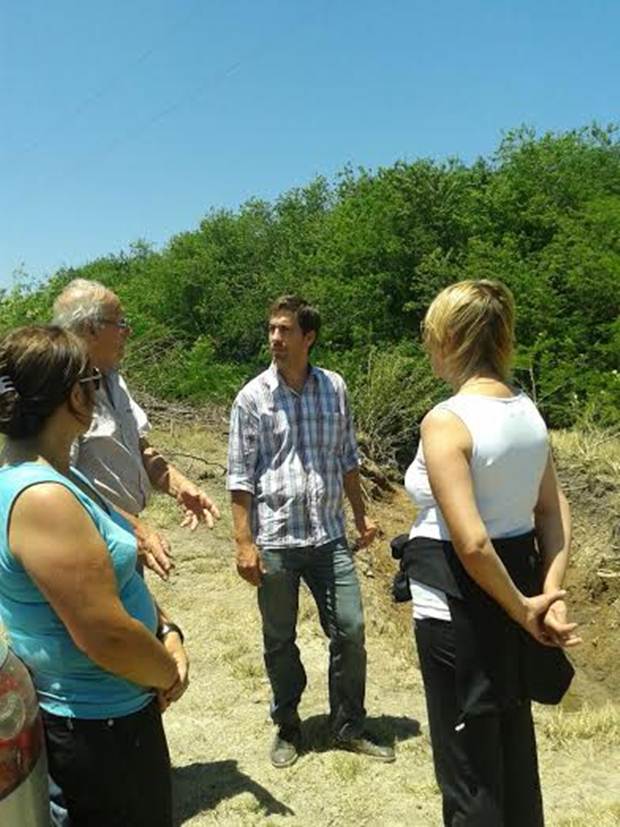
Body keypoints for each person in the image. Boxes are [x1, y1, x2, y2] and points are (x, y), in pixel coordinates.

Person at [403, 280, 580, 826]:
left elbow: (473, 542)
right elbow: (552, 513)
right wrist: (547, 595)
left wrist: (526, 608)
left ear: (450, 338)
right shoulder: (527, 413)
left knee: (467, 772)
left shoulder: (446, 420)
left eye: (431, 336)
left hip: (457, 611)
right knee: (512, 751)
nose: (428, 348)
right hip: (515, 601)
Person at [0, 325, 189, 827]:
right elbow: (105, 636)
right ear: (74, 397)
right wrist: (168, 673)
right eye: (93, 382)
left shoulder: (60, 474)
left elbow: (116, 570)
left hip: (111, 715)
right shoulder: (43, 497)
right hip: (97, 730)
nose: (98, 393)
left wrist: (167, 629)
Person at [227, 295, 395, 768]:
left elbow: (347, 459)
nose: (275, 338)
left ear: (309, 337)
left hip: (328, 536)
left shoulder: (334, 388)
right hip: (276, 538)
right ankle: (288, 725)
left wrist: (360, 516)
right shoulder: (252, 398)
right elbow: (239, 476)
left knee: (350, 628)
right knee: (279, 638)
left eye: (285, 330)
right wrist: (243, 542)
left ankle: (348, 725)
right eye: (271, 329)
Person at [52, 278, 220, 579]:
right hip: (87, 549)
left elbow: (140, 447)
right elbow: (62, 483)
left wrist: (179, 485)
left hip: (123, 538)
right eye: (120, 322)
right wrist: (135, 529)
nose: (128, 331)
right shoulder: (61, 391)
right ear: (91, 329)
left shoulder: (113, 378)